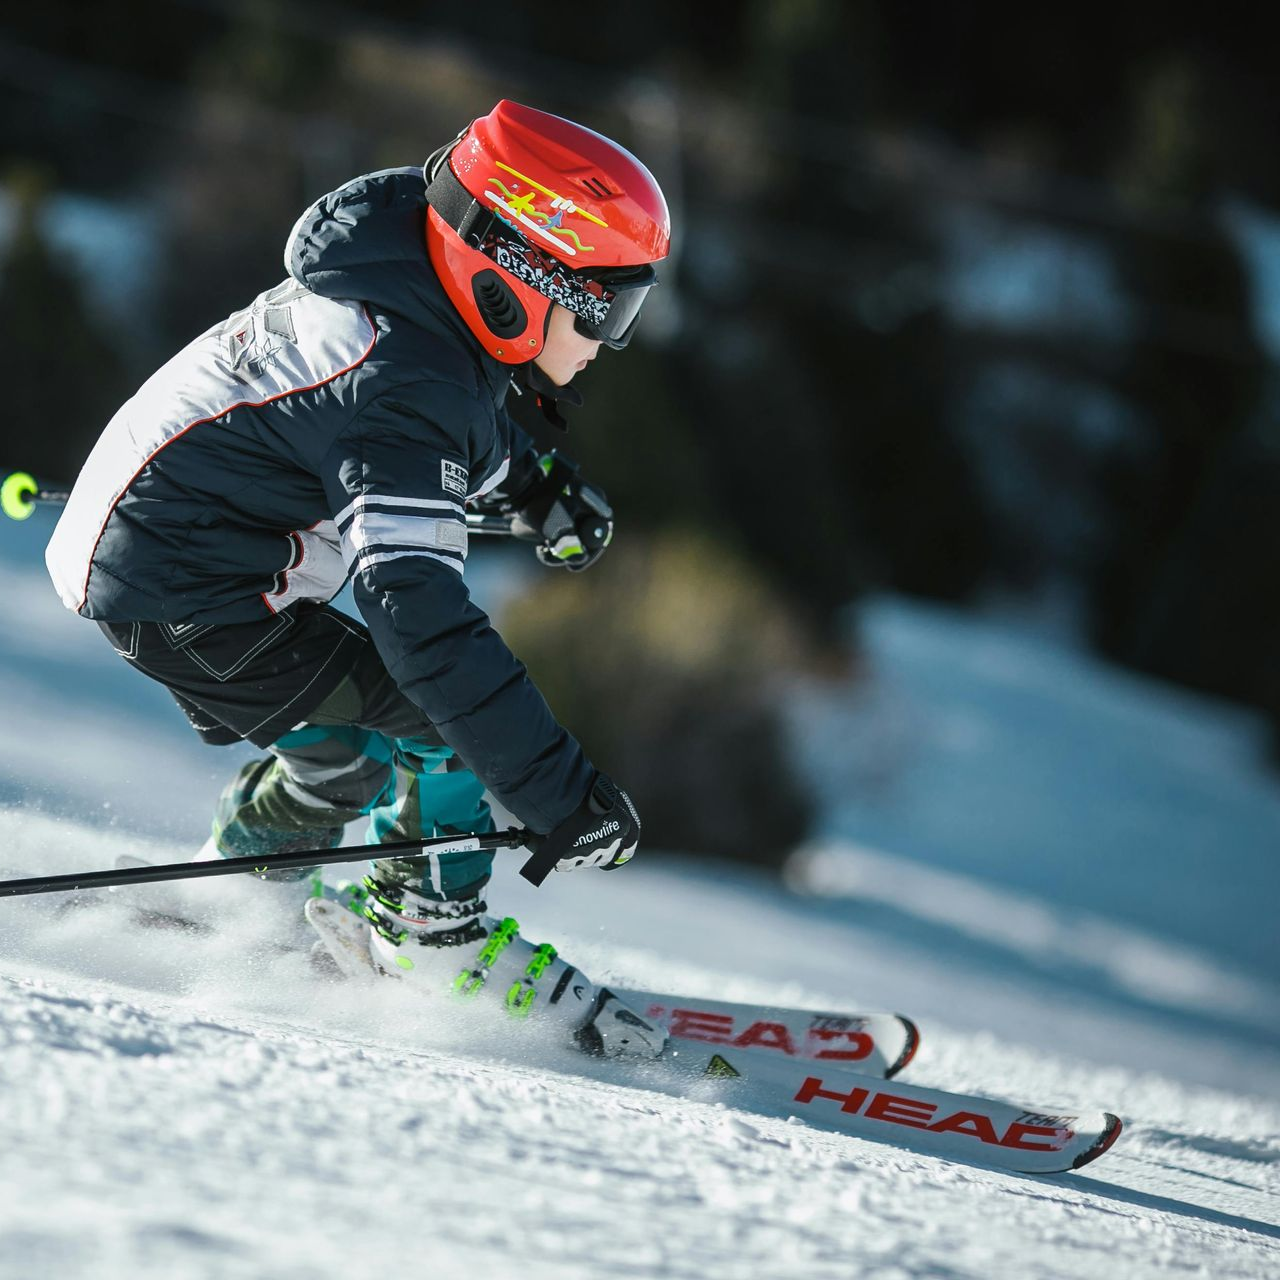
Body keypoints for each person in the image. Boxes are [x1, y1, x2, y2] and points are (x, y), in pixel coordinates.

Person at [44, 100, 670, 1058]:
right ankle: (429, 932)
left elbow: (448, 418)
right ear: (519, 279)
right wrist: (558, 795)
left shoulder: (403, 296)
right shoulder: (403, 386)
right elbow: (416, 616)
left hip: (169, 560)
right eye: (605, 308)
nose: (607, 342)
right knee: (444, 729)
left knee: (349, 750)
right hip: (191, 592)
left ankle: (236, 889)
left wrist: (536, 486)